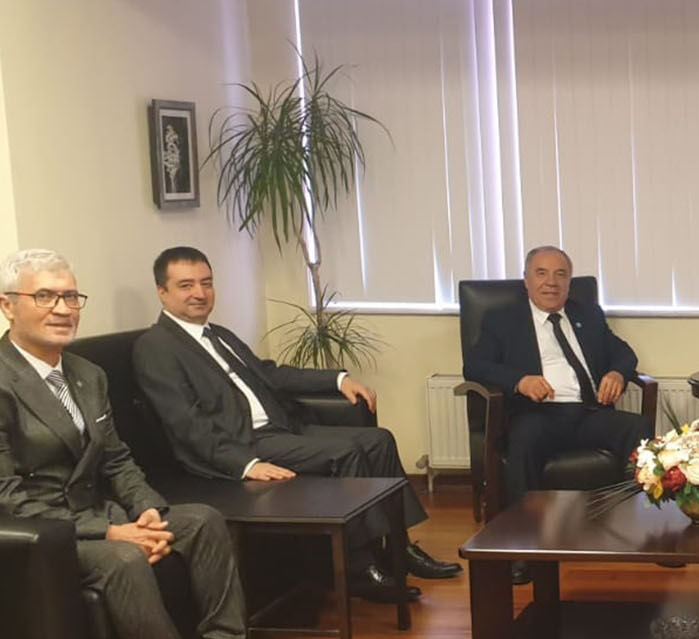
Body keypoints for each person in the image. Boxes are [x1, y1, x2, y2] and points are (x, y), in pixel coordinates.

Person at [0, 248, 273, 639]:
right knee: (124, 559)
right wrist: (110, 532)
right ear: (8, 305)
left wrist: (147, 509)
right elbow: (7, 497)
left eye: (70, 297)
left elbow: (118, 460)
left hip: (104, 513)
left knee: (202, 521)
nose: (62, 309)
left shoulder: (86, 374)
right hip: (45, 535)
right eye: (45, 296)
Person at [131, 246, 459, 605]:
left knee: (378, 440)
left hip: (281, 429)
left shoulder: (218, 334)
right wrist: (246, 464)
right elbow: (185, 423)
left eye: (206, 283)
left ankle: (399, 550)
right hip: (244, 444)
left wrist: (337, 379)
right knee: (346, 452)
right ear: (162, 292)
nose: (199, 293)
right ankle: (359, 569)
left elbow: (268, 374)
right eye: (186, 285)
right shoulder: (156, 347)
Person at [462, 246, 651, 579]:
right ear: (526, 280)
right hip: (537, 414)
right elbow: (475, 366)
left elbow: (624, 353)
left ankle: (639, 529)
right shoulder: (503, 319)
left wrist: (617, 373)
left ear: (569, 282)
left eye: (560, 274)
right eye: (541, 273)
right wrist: (519, 381)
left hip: (588, 412)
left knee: (639, 428)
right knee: (523, 440)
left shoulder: (588, 314)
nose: (551, 282)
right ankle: (525, 545)